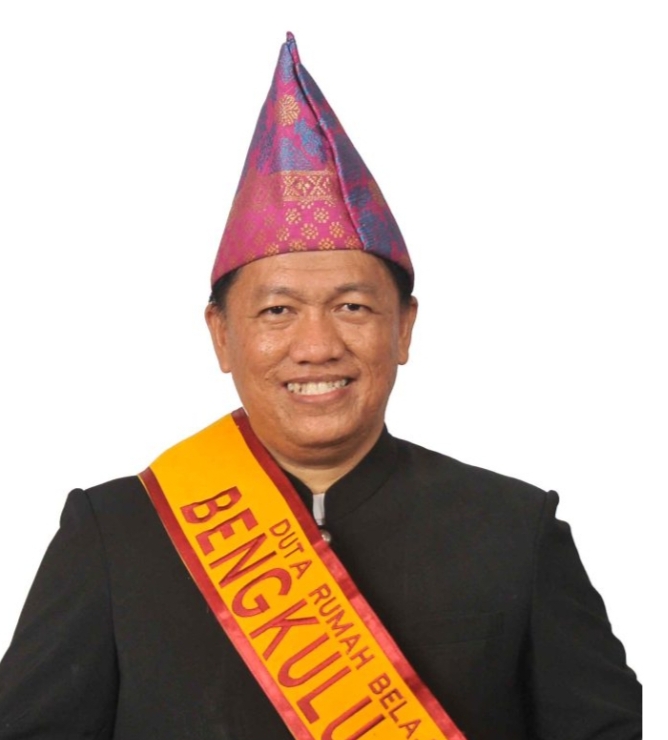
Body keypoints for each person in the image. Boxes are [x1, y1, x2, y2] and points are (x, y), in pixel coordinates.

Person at [0, 32, 641, 740]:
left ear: (404, 329)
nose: (316, 347)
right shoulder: (115, 532)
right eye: (277, 311)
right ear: (221, 335)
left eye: (353, 307)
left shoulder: (515, 530)